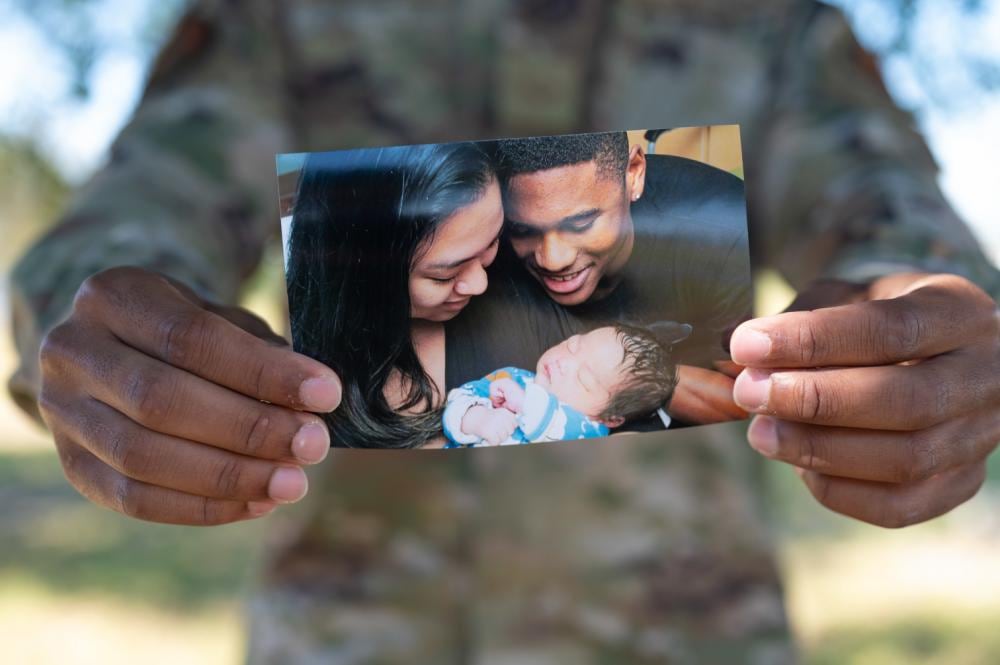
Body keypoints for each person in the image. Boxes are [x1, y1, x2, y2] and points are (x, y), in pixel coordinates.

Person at [8, 1, 1000, 663]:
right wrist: (119, 343)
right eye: (464, 261)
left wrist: (919, 335)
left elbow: (899, 235)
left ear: (641, 183)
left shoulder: (767, 21)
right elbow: (132, 228)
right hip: (354, 630)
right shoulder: (279, 17)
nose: (533, 267)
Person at [448, 131, 754, 428]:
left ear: (633, 173)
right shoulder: (488, 253)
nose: (552, 260)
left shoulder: (726, 239)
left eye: (580, 223)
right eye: (524, 230)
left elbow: (754, 404)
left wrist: (639, 380)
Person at [284, 142, 502, 449]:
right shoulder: (298, 385)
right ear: (360, 274)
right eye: (444, 275)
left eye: (493, 243)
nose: (481, 284)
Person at [443, 324, 678, 447]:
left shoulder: (589, 433)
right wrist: (476, 417)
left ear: (609, 418)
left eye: (583, 379)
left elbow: (551, 424)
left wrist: (525, 402)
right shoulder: (512, 377)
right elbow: (458, 399)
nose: (564, 362)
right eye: (572, 345)